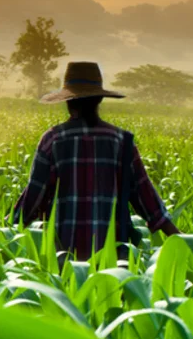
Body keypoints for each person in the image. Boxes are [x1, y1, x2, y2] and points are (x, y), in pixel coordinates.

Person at [11, 61, 181, 262]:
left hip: (64, 261)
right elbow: (148, 202)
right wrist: (183, 241)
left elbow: (31, 201)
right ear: (100, 99)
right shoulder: (122, 142)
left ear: (68, 102)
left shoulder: (53, 140)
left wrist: (4, 233)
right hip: (114, 264)